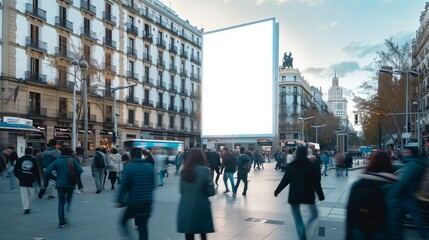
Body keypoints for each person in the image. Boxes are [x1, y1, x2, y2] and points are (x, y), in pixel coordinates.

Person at [274, 146, 325, 240]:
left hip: (294, 196)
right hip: (308, 195)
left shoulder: (291, 166)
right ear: (306, 154)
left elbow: (285, 181)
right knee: (314, 214)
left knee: (297, 217)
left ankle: (301, 232)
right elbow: (316, 182)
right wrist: (320, 195)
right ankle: (304, 229)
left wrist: (277, 190)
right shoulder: (311, 166)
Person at [345, 151, 398, 240]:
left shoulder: (358, 184)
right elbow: (394, 217)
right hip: (380, 230)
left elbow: (350, 211)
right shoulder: (391, 186)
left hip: (358, 228)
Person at [116, 147, 156, 240]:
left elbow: (124, 186)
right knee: (143, 228)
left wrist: (120, 200)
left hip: (134, 203)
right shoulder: (149, 167)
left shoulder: (129, 167)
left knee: (123, 221)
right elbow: (153, 185)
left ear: (131, 156)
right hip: (147, 203)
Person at [177, 148, 215, 240]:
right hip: (201, 206)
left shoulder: (184, 171)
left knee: (189, 233)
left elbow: (181, 190)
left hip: (186, 206)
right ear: (201, 157)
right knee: (202, 232)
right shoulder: (205, 170)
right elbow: (211, 192)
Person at [393, 147, 428, 239]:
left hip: (407, 194)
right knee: (407, 215)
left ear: (411, 153)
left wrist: (395, 192)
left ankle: (424, 235)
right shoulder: (417, 162)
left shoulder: (411, 164)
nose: (404, 153)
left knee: (412, 216)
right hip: (412, 194)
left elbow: (404, 181)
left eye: (406, 152)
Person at [45, 147, 83, 228]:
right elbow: (80, 170)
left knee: (61, 203)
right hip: (70, 184)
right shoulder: (73, 160)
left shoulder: (57, 160)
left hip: (60, 184)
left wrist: (56, 177)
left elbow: (47, 170)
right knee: (68, 200)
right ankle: (67, 210)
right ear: (70, 153)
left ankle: (61, 222)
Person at [13, 147, 40, 214]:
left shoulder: (20, 159)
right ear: (32, 152)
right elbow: (37, 172)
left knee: (24, 194)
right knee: (31, 194)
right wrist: (38, 181)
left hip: (22, 178)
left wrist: (19, 177)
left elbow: (15, 170)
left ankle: (26, 206)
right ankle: (27, 207)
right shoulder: (34, 160)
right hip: (31, 178)